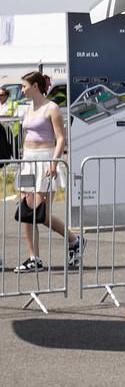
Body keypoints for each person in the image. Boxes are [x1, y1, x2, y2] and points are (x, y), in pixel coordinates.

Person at [13, 71, 80, 272]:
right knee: (27, 211)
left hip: (45, 160)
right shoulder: (26, 109)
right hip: (28, 160)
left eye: (24, 86)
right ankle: (34, 258)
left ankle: (74, 240)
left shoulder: (51, 108)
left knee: (41, 213)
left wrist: (54, 161)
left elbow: (60, 138)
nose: (22, 89)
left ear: (35, 86)